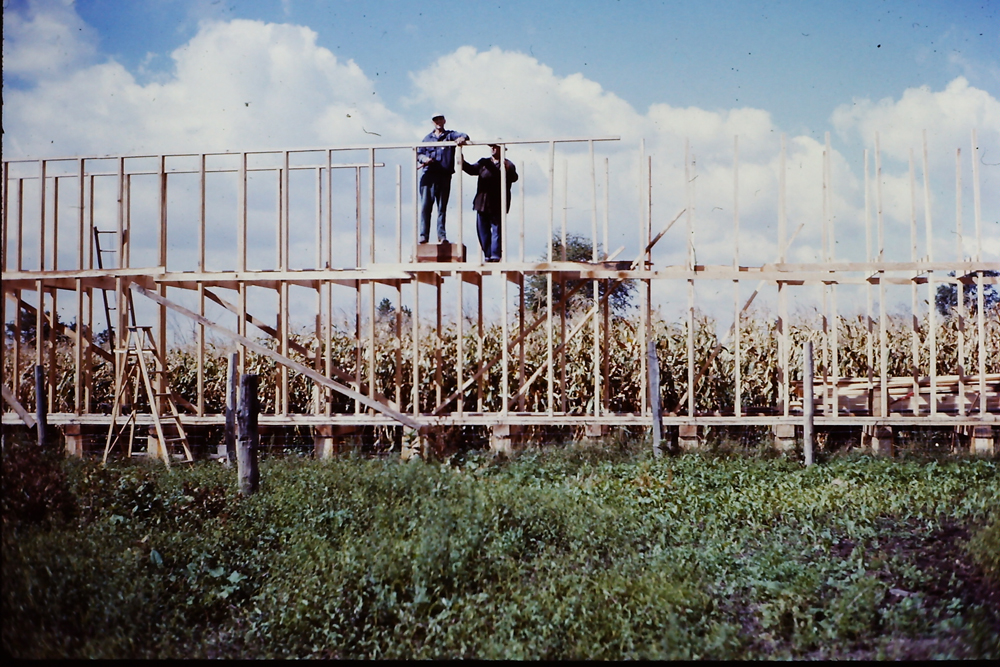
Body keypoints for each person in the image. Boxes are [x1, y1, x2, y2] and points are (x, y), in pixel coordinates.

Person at [417, 114, 469, 244]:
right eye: (436, 120)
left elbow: (464, 135)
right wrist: (425, 159)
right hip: (429, 175)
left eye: (440, 119)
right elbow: (419, 153)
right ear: (433, 123)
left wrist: (462, 138)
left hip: (444, 175)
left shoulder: (450, 135)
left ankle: (441, 235)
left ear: (444, 121)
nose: (438, 122)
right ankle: (424, 235)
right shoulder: (427, 138)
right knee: (425, 207)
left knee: (442, 207)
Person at [462, 144, 518, 262]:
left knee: (496, 230)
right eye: (492, 147)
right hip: (482, 202)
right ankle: (488, 255)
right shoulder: (484, 162)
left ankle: (495, 255)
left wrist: (508, 169)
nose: (493, 149)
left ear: (502, 150)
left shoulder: (507, 164)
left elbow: (514, 177)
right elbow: (472, 170)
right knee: (482, 230)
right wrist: (462, 162)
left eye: (496, 147)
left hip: (497, 203)